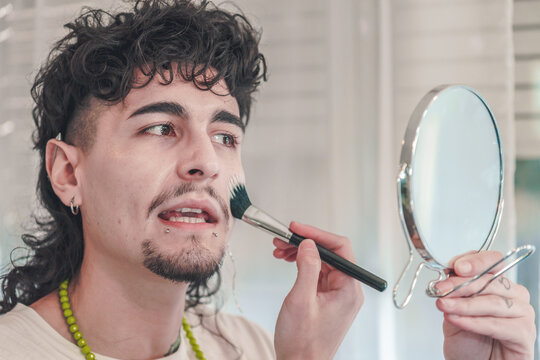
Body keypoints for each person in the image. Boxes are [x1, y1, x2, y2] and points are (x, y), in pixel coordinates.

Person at [0, 0, 535, 359]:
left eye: (226, 136)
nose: (205, 162)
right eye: (162, 127)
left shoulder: (252, 349)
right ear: (68, 173)